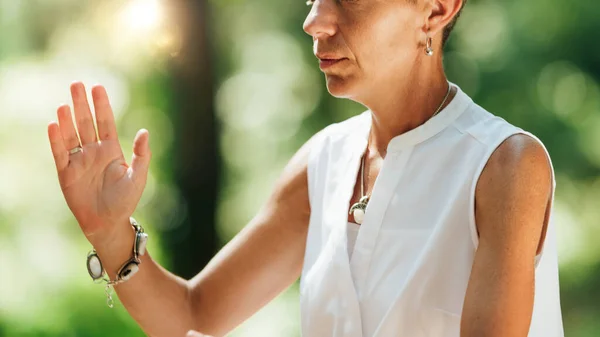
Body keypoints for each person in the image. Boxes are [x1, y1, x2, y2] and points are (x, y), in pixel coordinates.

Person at [47, 0, 564, 336]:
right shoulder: (324, 161)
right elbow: (193, 313)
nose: (314, 20)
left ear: (435, 9)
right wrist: (110, 232)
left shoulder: (504, 167)